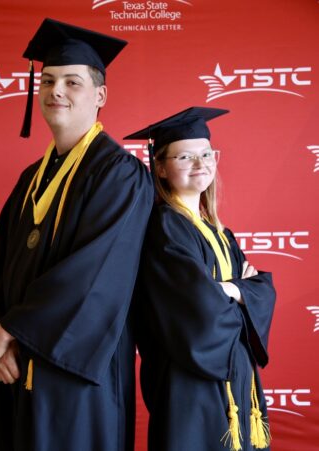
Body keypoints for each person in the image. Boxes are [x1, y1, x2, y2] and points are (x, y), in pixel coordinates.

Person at [0, 18, 153, 451]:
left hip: (76, 369)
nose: (56, 90)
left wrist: (11, 329)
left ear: (100, 96)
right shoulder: (31, 178)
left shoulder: (120, 175)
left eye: (72, 82)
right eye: (49, 80)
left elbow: (96, 274)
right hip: (17, 363)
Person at [124, 107, 276, 451]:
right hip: (188, 375)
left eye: (207, 153)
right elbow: (195, 306)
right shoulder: (165, 226)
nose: (201, 163)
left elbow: (261, 289)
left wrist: (230, 290)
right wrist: (240, 292)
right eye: (185, 157)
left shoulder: (218, 230)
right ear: (160, 167)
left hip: (234, 370)